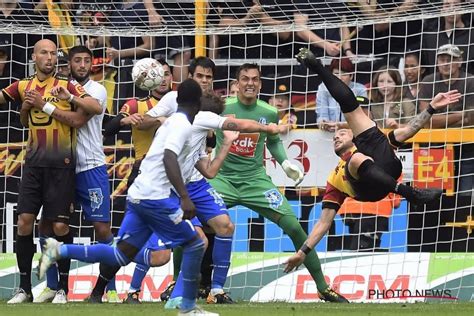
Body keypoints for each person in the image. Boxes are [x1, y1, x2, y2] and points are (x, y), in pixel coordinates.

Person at [38, 79, 219, 316]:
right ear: (197, 103)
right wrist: (185, 197)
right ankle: (186, 307)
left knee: (120, 254)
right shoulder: (181, 124)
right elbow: (169, 158)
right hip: (156, 197)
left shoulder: (170, 122)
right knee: (195, 243)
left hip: (138, 193)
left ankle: (59, 250)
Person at [283, 48, 461, 272]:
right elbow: (324, 222)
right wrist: (302, 253)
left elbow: (410, 129)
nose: (337, 136)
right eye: (334, 137)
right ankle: (410, 193)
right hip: (368, 190)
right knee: (356, 157)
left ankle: (316, 65)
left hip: (386, 167)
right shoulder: (335, 178)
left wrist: (432, 107)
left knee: (356, 116)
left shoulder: (371, 141)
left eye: (341, 133)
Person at [208, 63, 348, 302]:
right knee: (192, 222)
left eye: (254, 79)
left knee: (294, 226)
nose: (250, 83)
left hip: (256, 181)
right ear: (236, 84)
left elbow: (272, 140)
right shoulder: (223, 108)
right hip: (223, 180)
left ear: (260, 84)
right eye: (245, 79)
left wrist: (284, 163)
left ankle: (323, 288)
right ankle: (177, 285)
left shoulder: (269, 112)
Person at [1, 39, 100, 304]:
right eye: (44, 53)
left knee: (59, 225)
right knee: (24, 223)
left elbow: (95, 107)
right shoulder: (22, 86)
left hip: (62, 165)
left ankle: (62, 289)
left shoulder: (67, 85)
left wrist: (67, 99)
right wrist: (23, 107)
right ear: (33, 57)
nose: (50, 57)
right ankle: (24, 288)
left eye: (54, 53)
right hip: (33, 165)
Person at [316, 57, 367, 132]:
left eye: (344, 74)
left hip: (353, 132)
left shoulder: (360, 89)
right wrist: (324, 123)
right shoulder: (323, 88)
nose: (339, 77)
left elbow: (362, 119)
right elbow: (322, 115)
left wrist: (341, 125)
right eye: (336, 74)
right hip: (328, 133)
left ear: (351, 76)